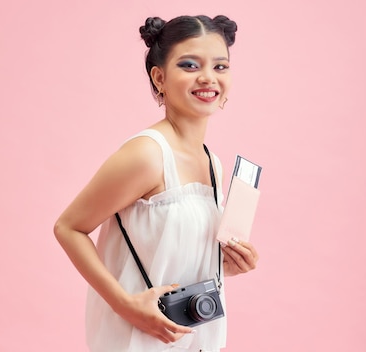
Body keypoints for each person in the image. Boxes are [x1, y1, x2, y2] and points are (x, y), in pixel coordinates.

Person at [53, 14, 259, 352]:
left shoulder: (212, 163)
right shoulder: (147, 154)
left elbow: (171, 250)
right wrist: (125, 304)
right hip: (138, 340)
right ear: (159, 77)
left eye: (220, 67)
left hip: (196, 339)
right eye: (190, 65)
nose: (208, 78)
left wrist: (228, 265)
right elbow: (69, 227)